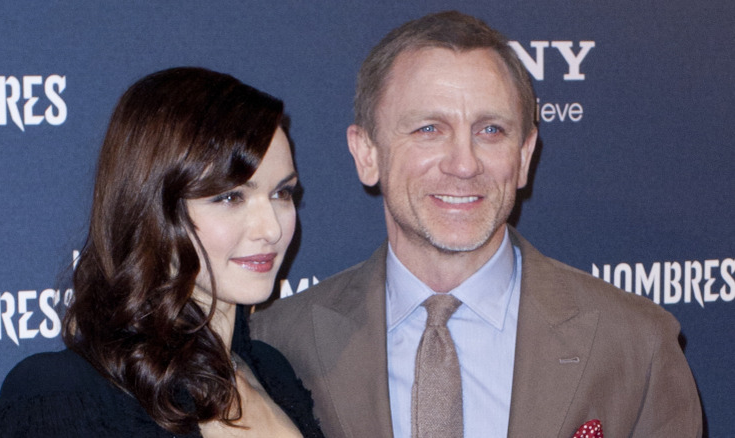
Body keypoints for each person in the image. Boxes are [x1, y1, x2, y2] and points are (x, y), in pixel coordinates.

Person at [251, 11, 702, 438]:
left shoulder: (636, 344)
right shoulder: (278, 343)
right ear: (367, 154)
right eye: (429, 129)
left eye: (490, 131)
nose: (464, 164)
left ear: (524, 156)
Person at [0, 67, 324, 438]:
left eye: (282, 193)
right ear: (152, 209)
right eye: (230, 197)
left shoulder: (274, 373)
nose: (272, 228)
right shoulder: (63, 394)